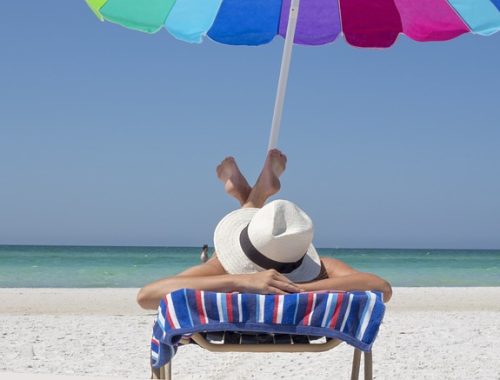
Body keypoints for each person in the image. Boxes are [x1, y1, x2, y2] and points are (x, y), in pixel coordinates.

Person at [137, 149, 392, 310]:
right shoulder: (322, 270)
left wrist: (241, 281)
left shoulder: (222, 268)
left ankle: (255, 196)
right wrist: (299, 289)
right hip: (297, 286)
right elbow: (381, 287)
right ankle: (254, 194)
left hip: (233, 280)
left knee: (221, 256)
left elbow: (147, 295)